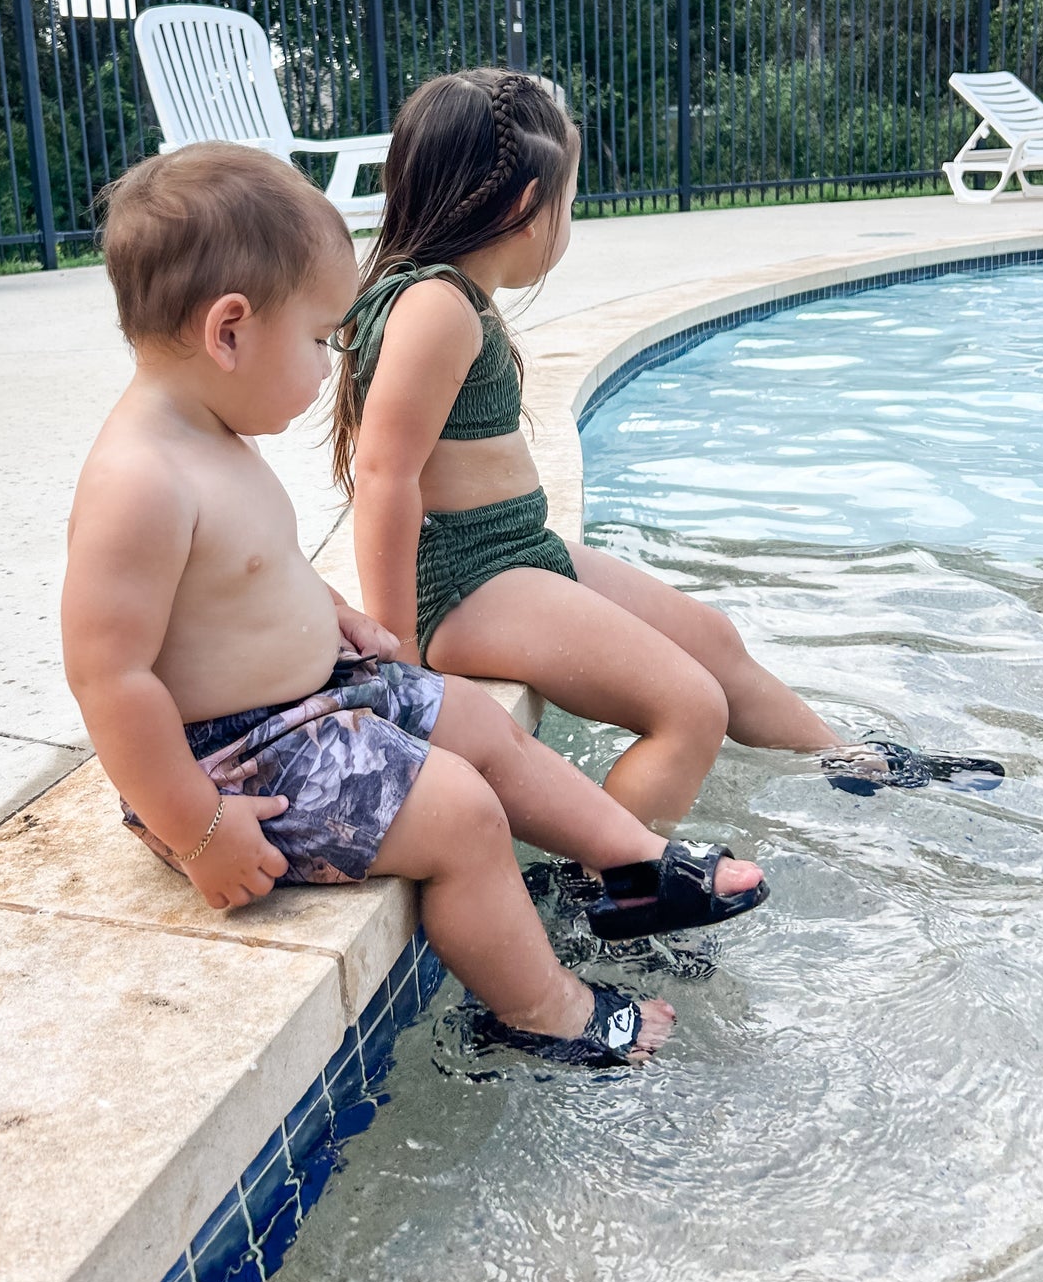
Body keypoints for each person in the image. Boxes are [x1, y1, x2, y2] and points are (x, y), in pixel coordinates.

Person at [60, 144, 769, 1074]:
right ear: (228, 331)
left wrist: (333, 614)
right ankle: (543, 1011)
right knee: (463, 815)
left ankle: (630, 862)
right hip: (237, 765)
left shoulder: (211, 431)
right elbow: (110, 676)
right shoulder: (138, 481)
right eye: (319, 340)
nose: (330, 369)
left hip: (308, 703)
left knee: (478, 721)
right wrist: (198, 828)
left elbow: (241, 571)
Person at [332, 69, 1004, 825]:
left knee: (712, 641)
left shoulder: (448, 296)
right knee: (688, 707)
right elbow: (386, 475)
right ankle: (614, 888)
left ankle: (848, 759)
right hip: (461, 584)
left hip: (508, 552)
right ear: (527, 207)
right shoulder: (436, 306)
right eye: (570, 201)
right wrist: (401, 664)